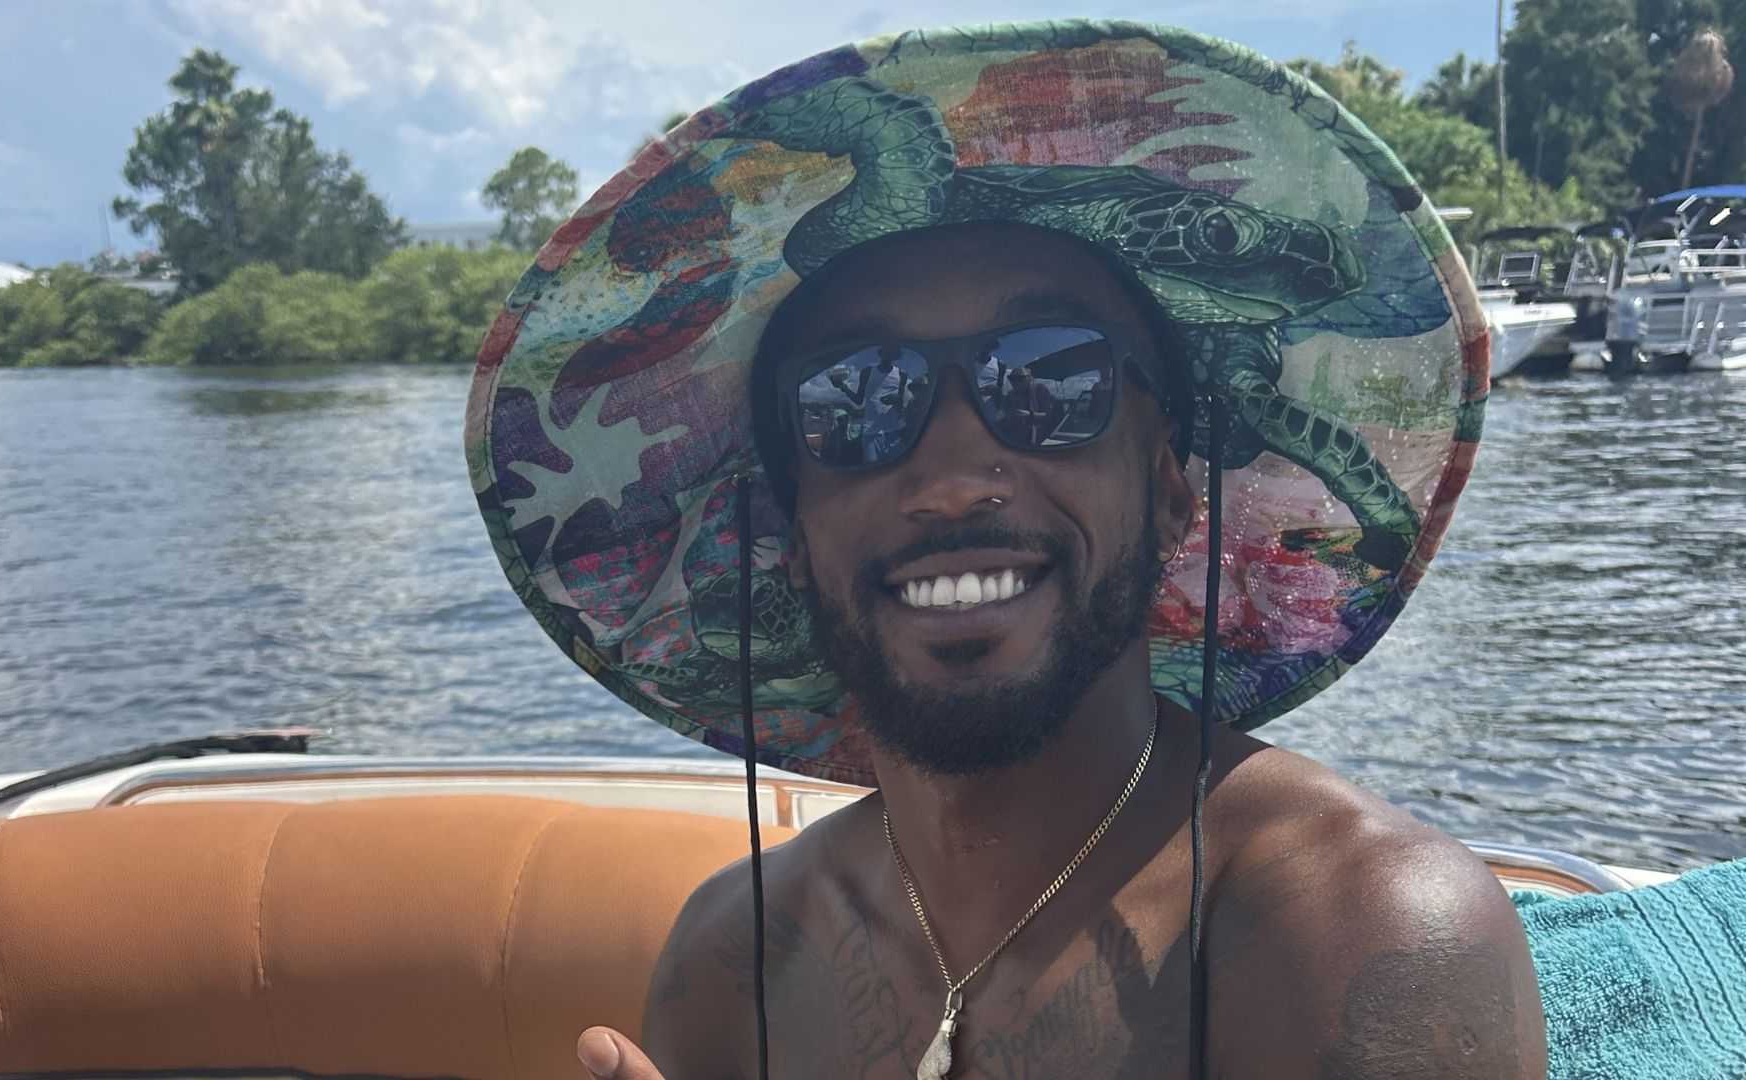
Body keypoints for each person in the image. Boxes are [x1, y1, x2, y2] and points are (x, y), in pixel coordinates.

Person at [463, 19, 1537, 1079]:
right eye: (853, 401)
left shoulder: (1352, 934)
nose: (951, 480)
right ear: (788, 536)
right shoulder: (733, 962)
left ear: (1171, 493)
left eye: (1055, 379)